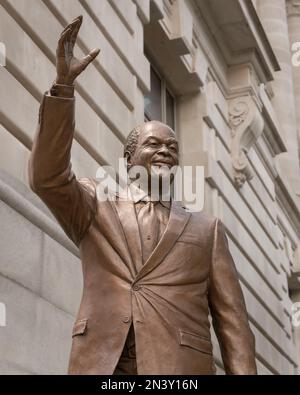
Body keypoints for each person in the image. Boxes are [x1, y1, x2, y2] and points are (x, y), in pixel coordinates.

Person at [28, 16, 257, 375]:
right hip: (104, 366)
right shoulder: (95, 207)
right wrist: (63, 88)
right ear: (129, 158)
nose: (166, 150)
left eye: (173, 146)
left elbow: (235, 326)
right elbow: (47, 177)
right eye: (153, 144)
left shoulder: (207, 230)